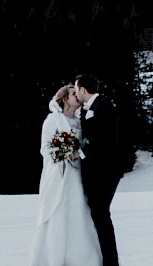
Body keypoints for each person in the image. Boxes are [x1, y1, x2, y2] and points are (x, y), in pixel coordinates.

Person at [29, 85, 102, 266]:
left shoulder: (81, 121)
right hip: (58, 175)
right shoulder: (52, 120)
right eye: (72, 94)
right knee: (58, 213)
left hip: (77, 175)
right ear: (64, 99)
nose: (77, 96)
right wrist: (64, 151)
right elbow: (45, 149)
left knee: (78, 212)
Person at [74, 74, 122, 266]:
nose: (76, 93)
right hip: (100, 171)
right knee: (99, 215)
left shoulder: (103, 106)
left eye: (77, 89)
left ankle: (111, 262)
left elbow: (105, 139)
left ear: (83, 90)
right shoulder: (93, 107)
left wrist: (81, 153)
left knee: (101, 215)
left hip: (105, 171)